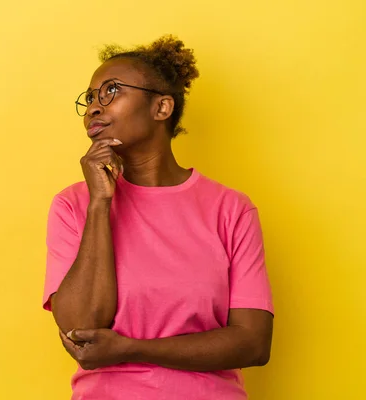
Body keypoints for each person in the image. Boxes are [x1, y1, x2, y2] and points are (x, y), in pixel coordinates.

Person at [42, 34, 274, 400]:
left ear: (162, 108)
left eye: (111, 91)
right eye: (90, 98)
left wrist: (132, 349)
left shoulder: (230, 209)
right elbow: (80, 330)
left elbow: (253, 343)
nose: (93, 108)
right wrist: (100, 204)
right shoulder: (73, 205)